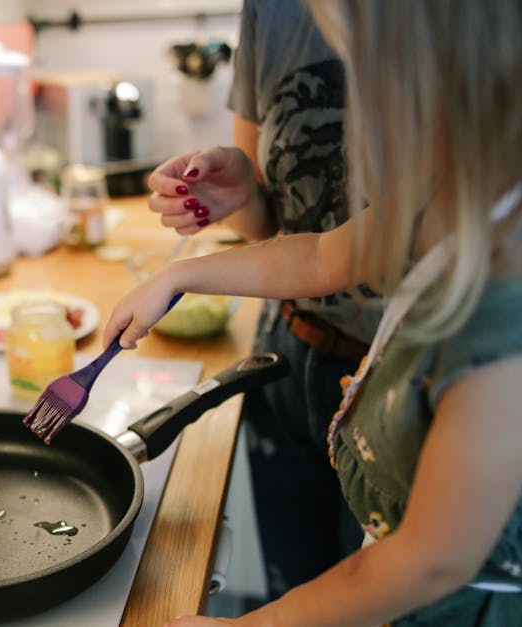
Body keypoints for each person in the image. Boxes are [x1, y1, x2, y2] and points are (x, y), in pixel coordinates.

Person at [108, 0, 522, 624]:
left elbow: (428, 561)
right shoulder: (466, 190)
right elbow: (319, 260)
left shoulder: (520, 318)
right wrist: (179, 275)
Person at [148, 0, 368, 600]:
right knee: (289, 584)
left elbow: (425, 565)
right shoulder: (272, 11)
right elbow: (274, 226)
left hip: (401, 376)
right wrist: (239, 188)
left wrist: (181, 278)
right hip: (287, 359)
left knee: (366, 599)